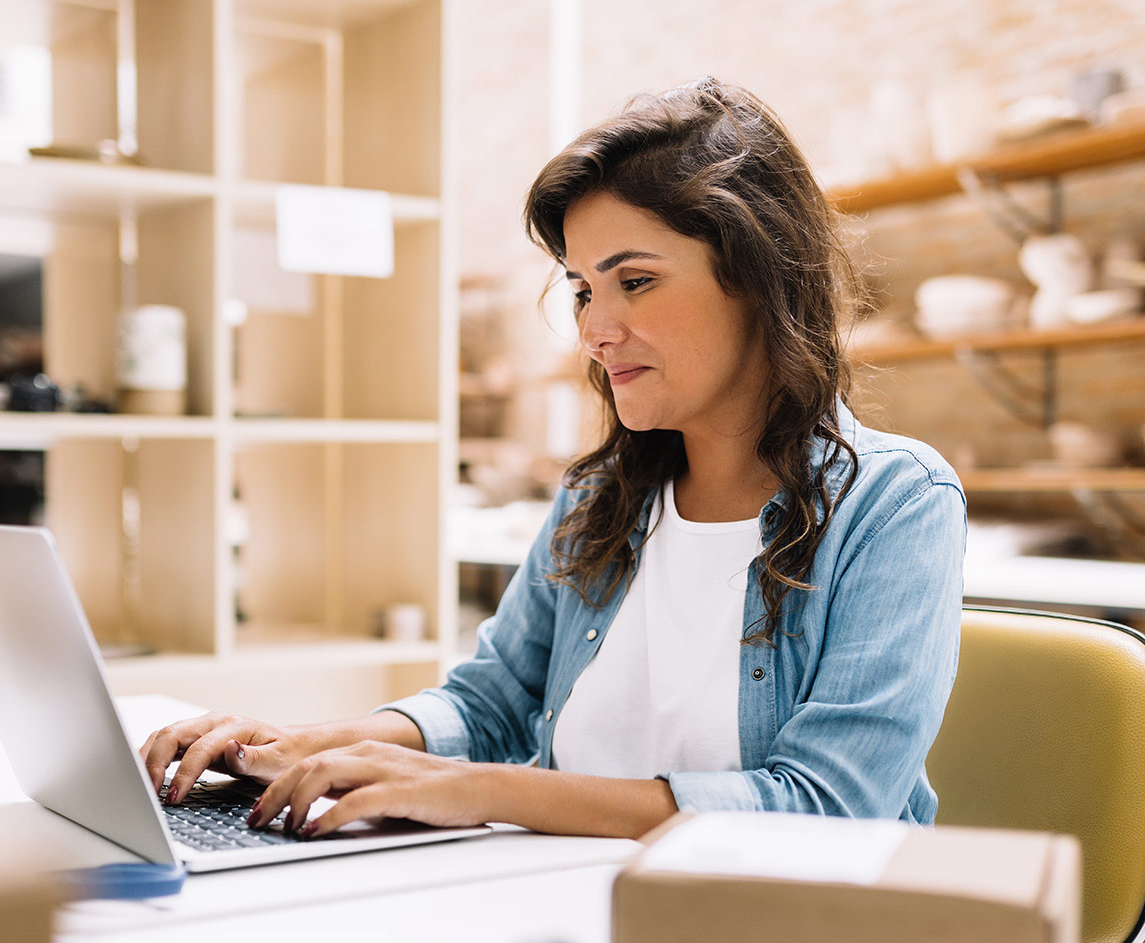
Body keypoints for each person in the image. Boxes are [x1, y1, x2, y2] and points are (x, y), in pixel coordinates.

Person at [140, 78, 965, 842]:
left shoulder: (895, 503)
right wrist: (295, 745)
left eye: (634, 281)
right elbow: (492, 701)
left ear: (757, 277)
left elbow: (825, 806)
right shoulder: (603, 495)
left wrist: (475, 789)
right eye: (581, 291)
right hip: (568, 908)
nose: (595, 330)